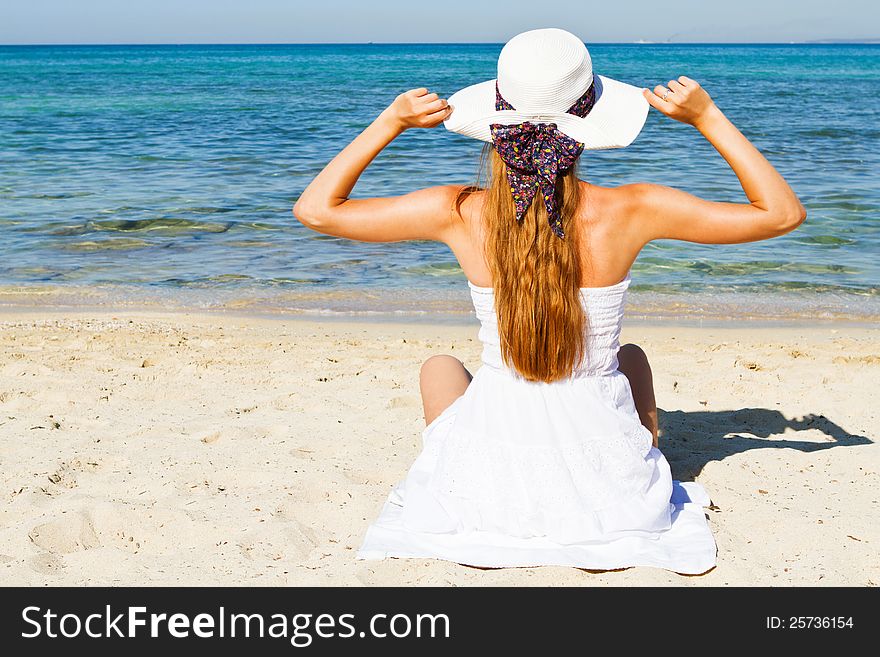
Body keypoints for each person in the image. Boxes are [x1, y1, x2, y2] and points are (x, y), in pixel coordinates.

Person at [293, 28, 805, 574]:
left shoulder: (459, 210)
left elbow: (318, 210)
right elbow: (780, 214)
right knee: (629, 358)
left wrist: (390, 122)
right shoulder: (635, 208)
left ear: (495, 119)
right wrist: (708, 118)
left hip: (488, 490)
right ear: (588, 123)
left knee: (440, 368)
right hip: (611, 490)